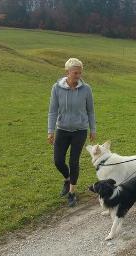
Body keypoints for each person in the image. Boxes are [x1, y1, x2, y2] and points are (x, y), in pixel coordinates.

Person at [48, 58, 96, 207]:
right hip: (62, 129)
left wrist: (92, 129)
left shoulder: (86, 89)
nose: (78, 76)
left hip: (80, 130)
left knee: (73, 161)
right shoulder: (56, 88)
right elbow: (53, 111)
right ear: (67, 72)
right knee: (58, 161)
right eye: (75, 73)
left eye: (80, 73)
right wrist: (50, 131)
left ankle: (72, 192)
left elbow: (91, 111)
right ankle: (67, 179)